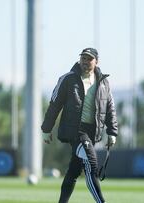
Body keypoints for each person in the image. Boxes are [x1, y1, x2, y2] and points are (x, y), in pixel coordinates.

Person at [41, 48, 118, 203]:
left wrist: (112, 132)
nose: (85, 61)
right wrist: (46, 129)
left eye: (89, 59)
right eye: (83, 58)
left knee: (74, 170)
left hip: (92, 132)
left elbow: (110, 107)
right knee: (92, 163)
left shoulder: (103, 82)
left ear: (96, 62)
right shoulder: (68, 79)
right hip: (75, 130)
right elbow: (55, 105)